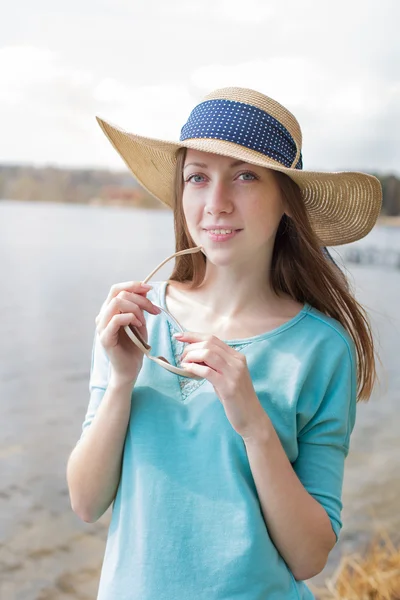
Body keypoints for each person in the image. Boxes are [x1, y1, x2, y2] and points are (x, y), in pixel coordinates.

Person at [66, 87, 382, 599]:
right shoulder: (136, 320)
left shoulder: (322, 350)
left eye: (245, 175)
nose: (216, 203)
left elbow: (308, 557)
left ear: (286, 199)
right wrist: (121, 379)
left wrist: (253, 422)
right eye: (198, 177)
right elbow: (85, 502)